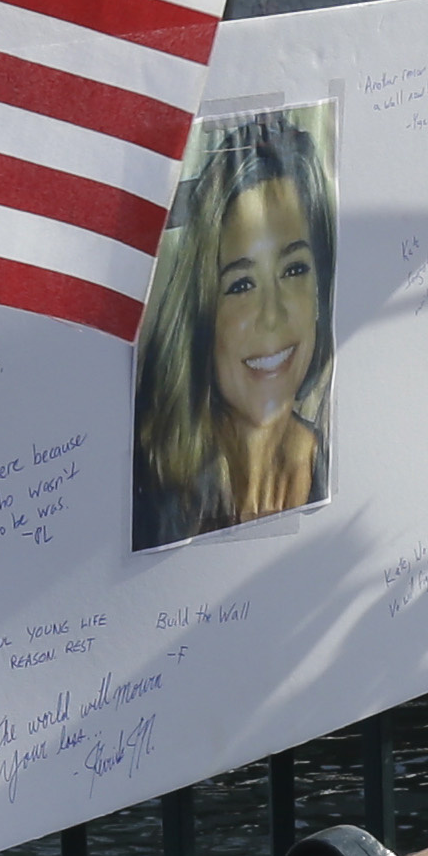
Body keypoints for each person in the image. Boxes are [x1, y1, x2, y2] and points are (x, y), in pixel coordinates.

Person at [132, 105, 334, 547]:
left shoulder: (343, 463)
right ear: (204, 311)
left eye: (295, 270)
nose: (273, 313)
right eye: (241, 284)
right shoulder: (149, 488)